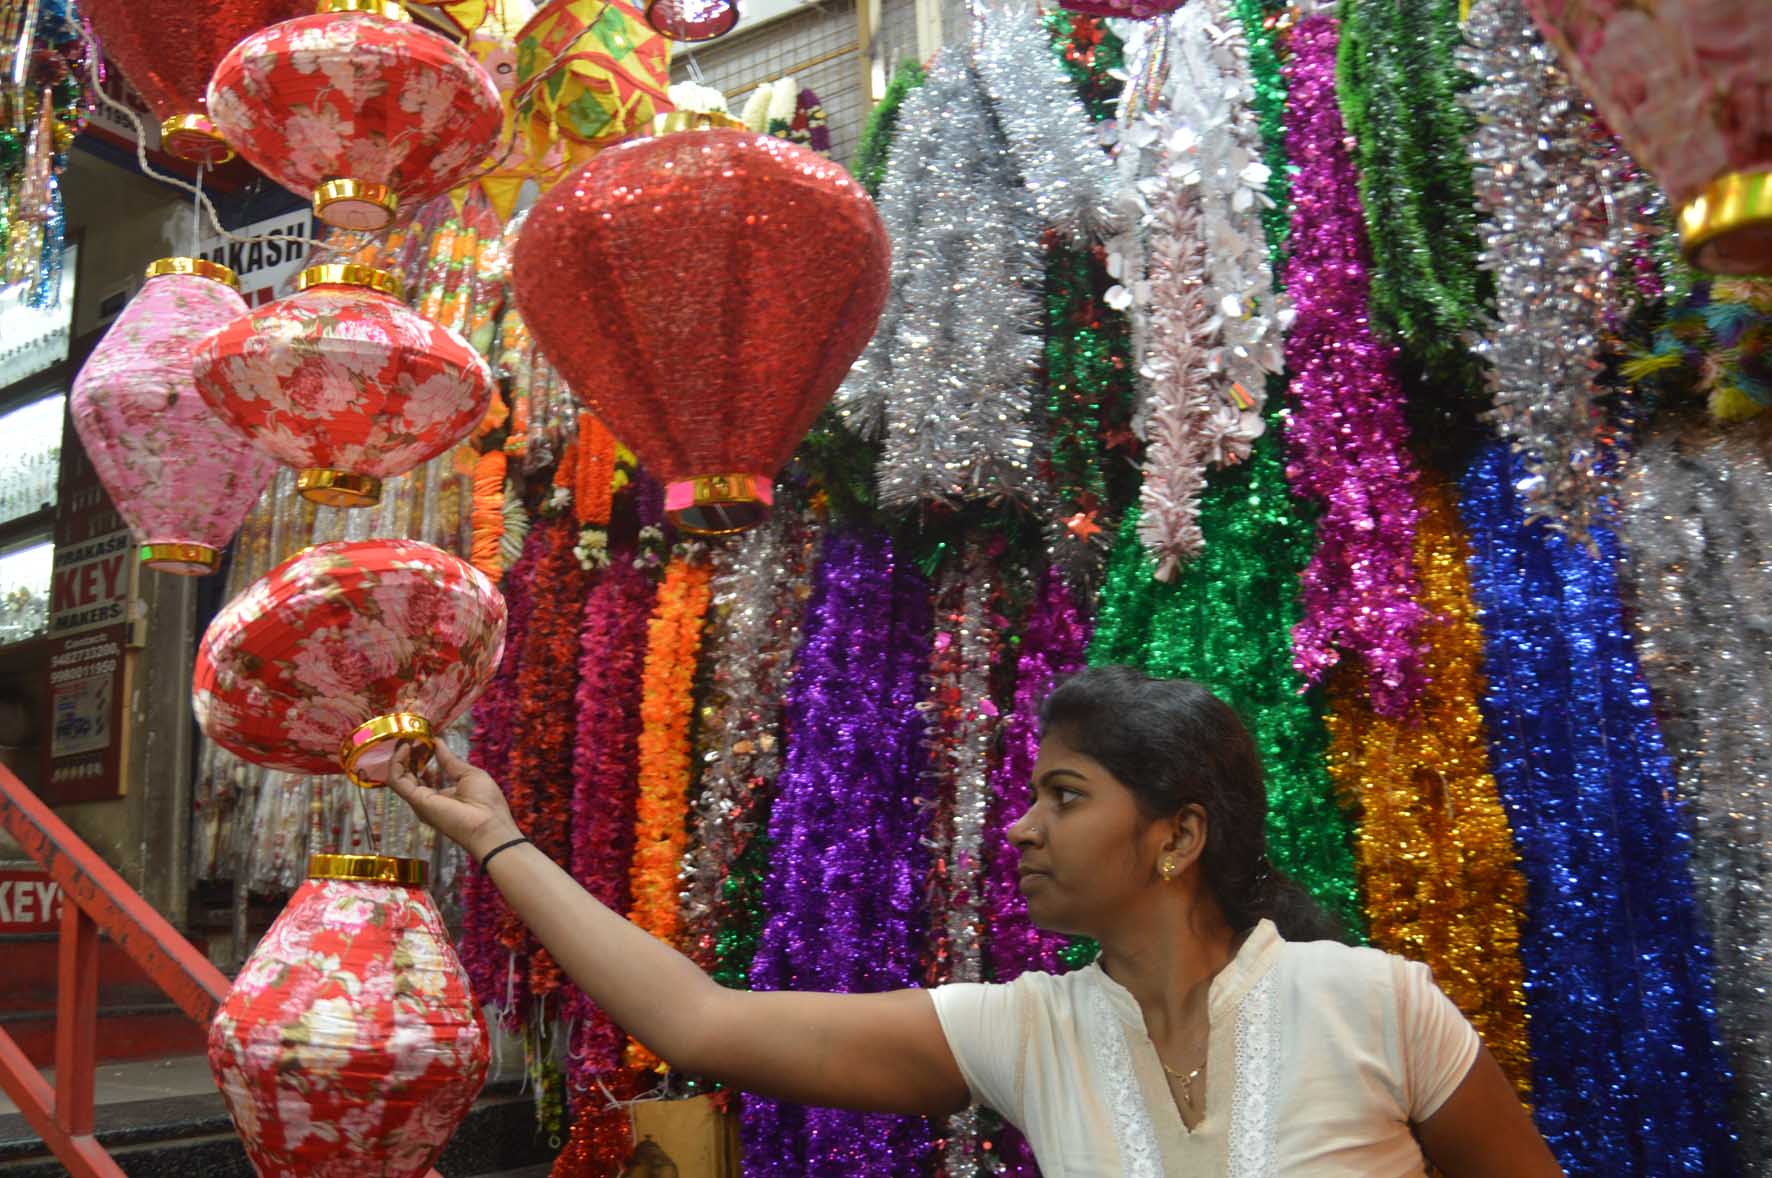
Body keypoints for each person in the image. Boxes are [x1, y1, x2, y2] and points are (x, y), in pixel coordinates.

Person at [389, 665, 1564, 1176]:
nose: (1017, 829)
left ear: (1176, 835)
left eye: (1063, 796)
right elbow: (697, 1022)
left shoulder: (1371, 1000)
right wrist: (498, 837)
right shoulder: (1031, 1028)